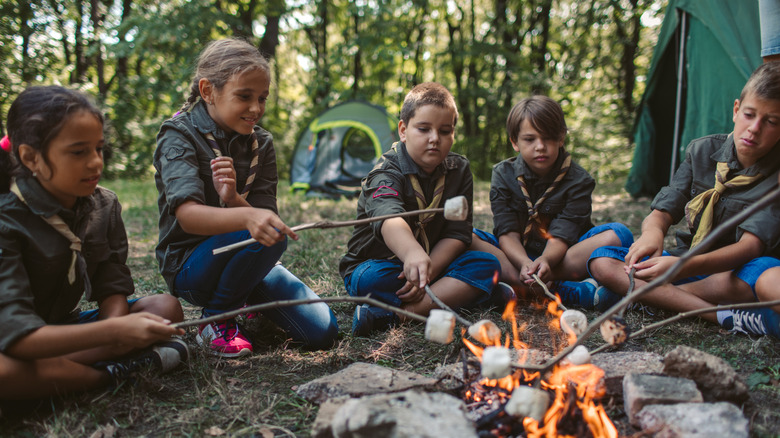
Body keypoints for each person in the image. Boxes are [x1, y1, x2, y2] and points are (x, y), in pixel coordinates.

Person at [0, 86, 187, 402]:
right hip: (15, 341)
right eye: (78, 152)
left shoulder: (103, 204)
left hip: (63, 330)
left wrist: (115, 328)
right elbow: (17, 337)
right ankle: (111, 376)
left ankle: (51, 375)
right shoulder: (7, 219)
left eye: (98, 149)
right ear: (30, 157)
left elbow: (110, 281)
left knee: (163, 307)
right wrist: (114, 335)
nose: (95, 163)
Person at [154, 38, 338, 357]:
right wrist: (246, 218)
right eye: (244, 96)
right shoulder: (178, 135)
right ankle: (217, 318)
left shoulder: (261, 144)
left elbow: (264, 217)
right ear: (208, 91)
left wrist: (236, 199)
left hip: (246, 257)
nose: (256, 108)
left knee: (322, 331)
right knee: (270, 236)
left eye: (262, 98)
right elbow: (187, 214)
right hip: (190, 265)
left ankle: (240, 292)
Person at [588, 61, 780, 338]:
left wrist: (679, 268)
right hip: (688, 265)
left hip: (738, 273)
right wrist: (652, 234)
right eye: (750, 115)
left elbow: (750, 248)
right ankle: (721, 315)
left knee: (770, 276)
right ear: (736, 110)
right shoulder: (701, 151)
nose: (754, 128)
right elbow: (664, 209)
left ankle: (656, 299)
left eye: (771, 121)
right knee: (602, 261)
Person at [339, 82, 505, 336]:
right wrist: (412, 254)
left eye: (445, 131)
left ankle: (395, 316)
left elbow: (457, 233)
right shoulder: (385, 173)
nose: (435, 139)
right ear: (403, 130)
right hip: (384, 266)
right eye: (424, 129)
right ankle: (464, 294)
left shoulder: (458, 170)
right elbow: (388, 218)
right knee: (368, 279)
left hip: (435, 265)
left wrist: (429, 271)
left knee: (487, 263)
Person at [470, 95, 634, 311]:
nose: (540, 146)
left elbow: (562, 234)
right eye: (530, 139)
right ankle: (562, 290)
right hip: (517, 257)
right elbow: (507, 232)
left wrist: (546, 260)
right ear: (514, 142)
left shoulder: (579, 180)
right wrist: (524, 264)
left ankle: (525, 287)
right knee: (464, 235)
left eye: (548, 138)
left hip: (564, 257)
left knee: (619, 234)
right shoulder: (502, 174)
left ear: (561, 138)